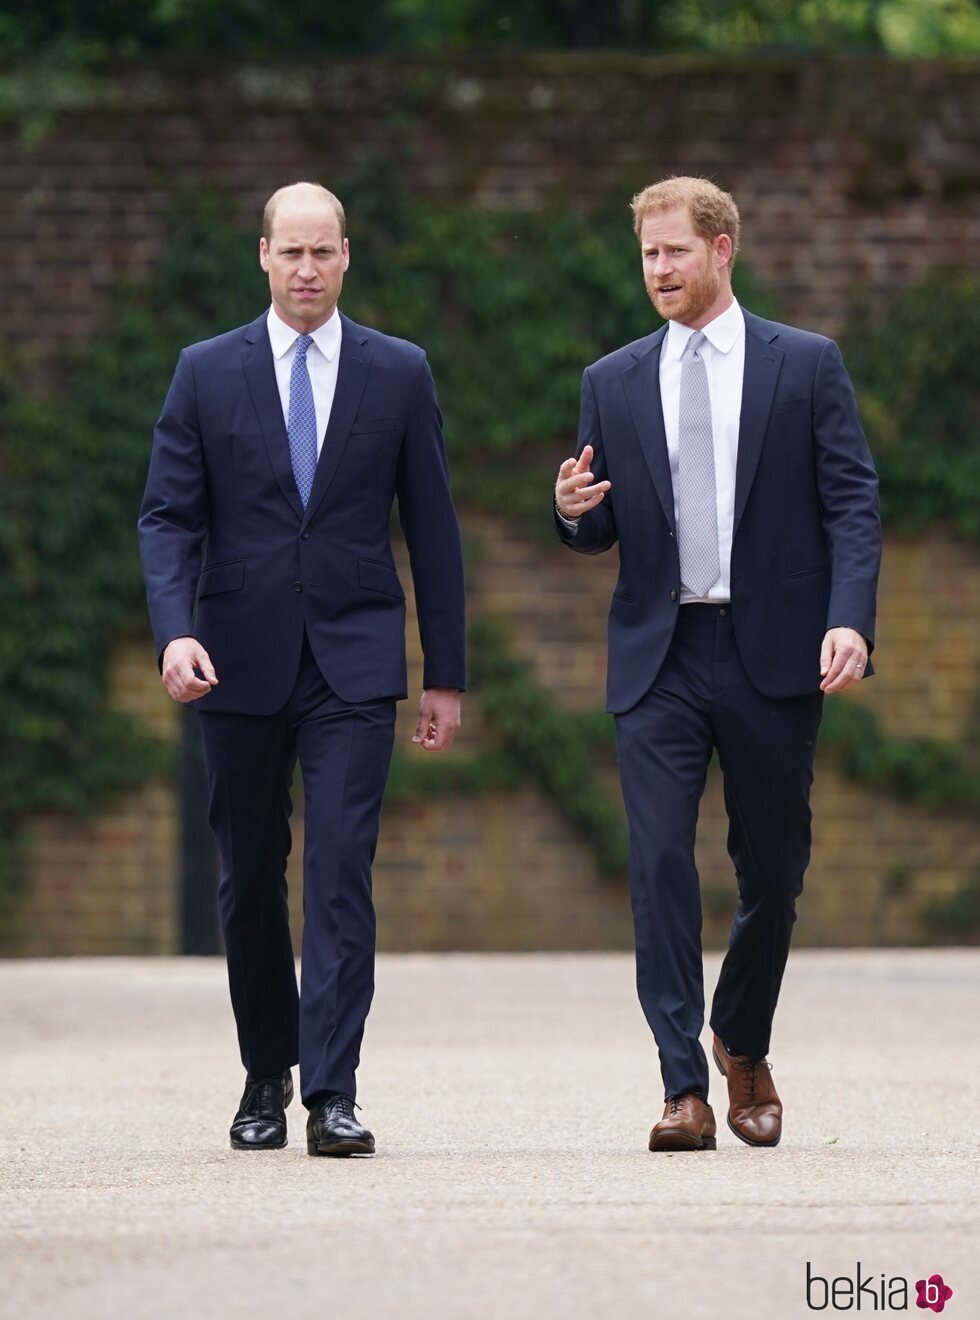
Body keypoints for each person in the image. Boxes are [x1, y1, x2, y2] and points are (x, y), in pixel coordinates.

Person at [139, 182, 466, 1157]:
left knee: (338, 870)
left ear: (346, 257)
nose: (308, 269)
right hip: (233, 658)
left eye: (323, 252)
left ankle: (332, 1090)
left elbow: (435, 531)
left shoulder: (398, 372)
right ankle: (263, 1073)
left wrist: (443, 673)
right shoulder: (204, 373)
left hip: (355, 660)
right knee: (247, 875)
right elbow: (167, 517)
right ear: (263, 256)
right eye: (292, 253)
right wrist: (172, 629)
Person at [554, 176, 879, 1152]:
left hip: (771, 650)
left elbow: (851, 504)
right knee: (656, 863)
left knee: (771, 871)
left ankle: (740, 1038)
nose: (657, 270)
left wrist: (849, 620)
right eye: (647, 254)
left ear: (720, 250)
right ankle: (680, 1087)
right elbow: (599, 521)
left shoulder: (804, 365)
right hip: (658, 655)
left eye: (673, 253)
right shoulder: (609, 380)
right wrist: (572, 512)